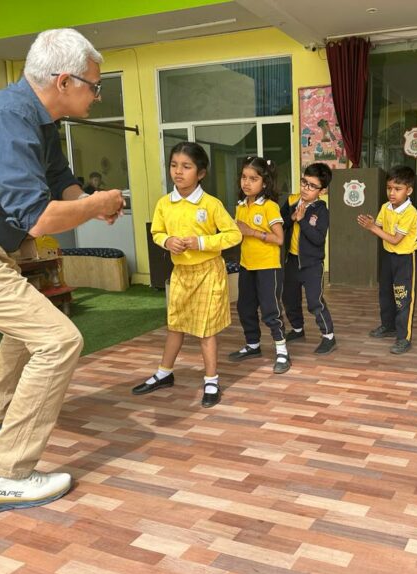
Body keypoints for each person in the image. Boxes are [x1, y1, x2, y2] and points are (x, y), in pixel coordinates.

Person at [0, 28, 125, 516]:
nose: (97, 95)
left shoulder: (42, 122)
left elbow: (62, 187)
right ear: (64, 81)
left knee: (29, 324)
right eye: (94, 86)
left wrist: (88, 205)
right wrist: (98, 202)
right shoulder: (7, 115)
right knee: (58, 341)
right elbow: (37, 217)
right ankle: (2, 476)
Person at [132, 142, 241, 405]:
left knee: (206, 331)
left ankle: (212, 381)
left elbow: (234, 235)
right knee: (175, 325)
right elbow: (157, 232)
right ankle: (164, 373)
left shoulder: (211, 204)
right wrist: (167, 241)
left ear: (201, 173)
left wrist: (202, 242)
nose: (178, 172)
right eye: (174, 165)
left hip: (208, 273)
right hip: (181, 272)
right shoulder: (164, 204)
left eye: (186, 166)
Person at [228, 156, 290, 373]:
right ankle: (253, 344)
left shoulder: (270, 207)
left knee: (270, 310)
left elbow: (279, 239)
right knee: (244, 307)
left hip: (268, 267)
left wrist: (251, 232)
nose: (246, 183)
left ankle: (282, 351)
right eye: (244, 177)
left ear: (264, 183)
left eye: (253, 179)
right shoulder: (241, 206)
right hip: (247, 265)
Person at [357, 165, 417, 354]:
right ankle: (388, 325)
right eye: (389, 188)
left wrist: (372, 228)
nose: (392, 193)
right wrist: (371, 223)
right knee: (385, 294)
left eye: (397, 189)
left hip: (405, 259)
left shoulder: (410, 213)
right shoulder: (386, 207)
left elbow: (395, 239)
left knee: (403, 298)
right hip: (388, 257)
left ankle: (403, 337)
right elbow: (379, 226)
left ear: (408, 190)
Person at [281, 162, 336, 354]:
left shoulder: (322, 210)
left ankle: (328, 336)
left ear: (321, 190)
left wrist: (303, 220)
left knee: (315, 301)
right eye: (304, 182)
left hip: (312, 264)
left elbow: (318, 238)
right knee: (289, 298)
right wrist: (293, 217)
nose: (306, 188)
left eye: (312, 186)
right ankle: (297, 329)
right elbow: (280, 225)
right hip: (292, 261)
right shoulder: (291, 202)